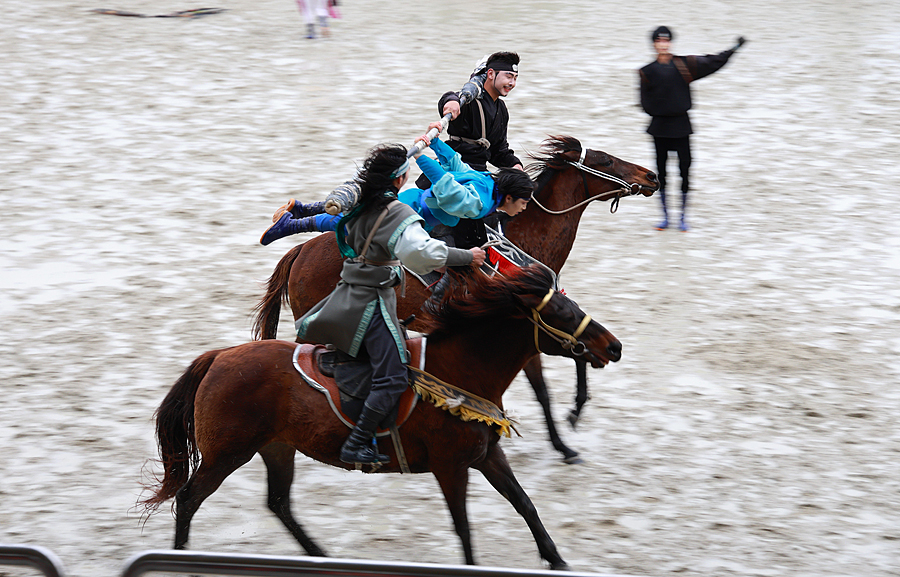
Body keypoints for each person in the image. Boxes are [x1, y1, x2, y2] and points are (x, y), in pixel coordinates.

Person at [294, 143, 485, 465]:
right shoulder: (396, 213)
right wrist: (467, 256)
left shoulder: (359, 206)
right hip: (372, 303)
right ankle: (356, 443)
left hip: (347, 294)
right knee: (394, 375)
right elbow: (421, 254)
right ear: (401, 179)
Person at [259, 121, 533, 246]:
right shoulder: (481, 202)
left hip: (415, 202)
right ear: (509, 197)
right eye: (523, 203)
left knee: (362, 206)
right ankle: (292, 224)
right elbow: (448, 184)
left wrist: (435, 143)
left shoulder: (486, 182)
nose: (523, 209)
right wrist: (428, 152)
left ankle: (303, 208)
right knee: (357, 224)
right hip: (410, 214)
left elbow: (456, 167)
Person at [639, 26, 746, 231]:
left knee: (685, 172)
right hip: (659, 129)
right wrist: (666, 108)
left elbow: (712, 62)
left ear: (670, 43)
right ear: (654, 44)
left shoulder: (684, 65)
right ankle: (665, 218)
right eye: (659, 41)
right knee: (661, 173)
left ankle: (681, 218)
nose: (663, 44)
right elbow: (645, 104)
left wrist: (734, 49)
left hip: (682, 128)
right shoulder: (646, 71)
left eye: (666, 41)